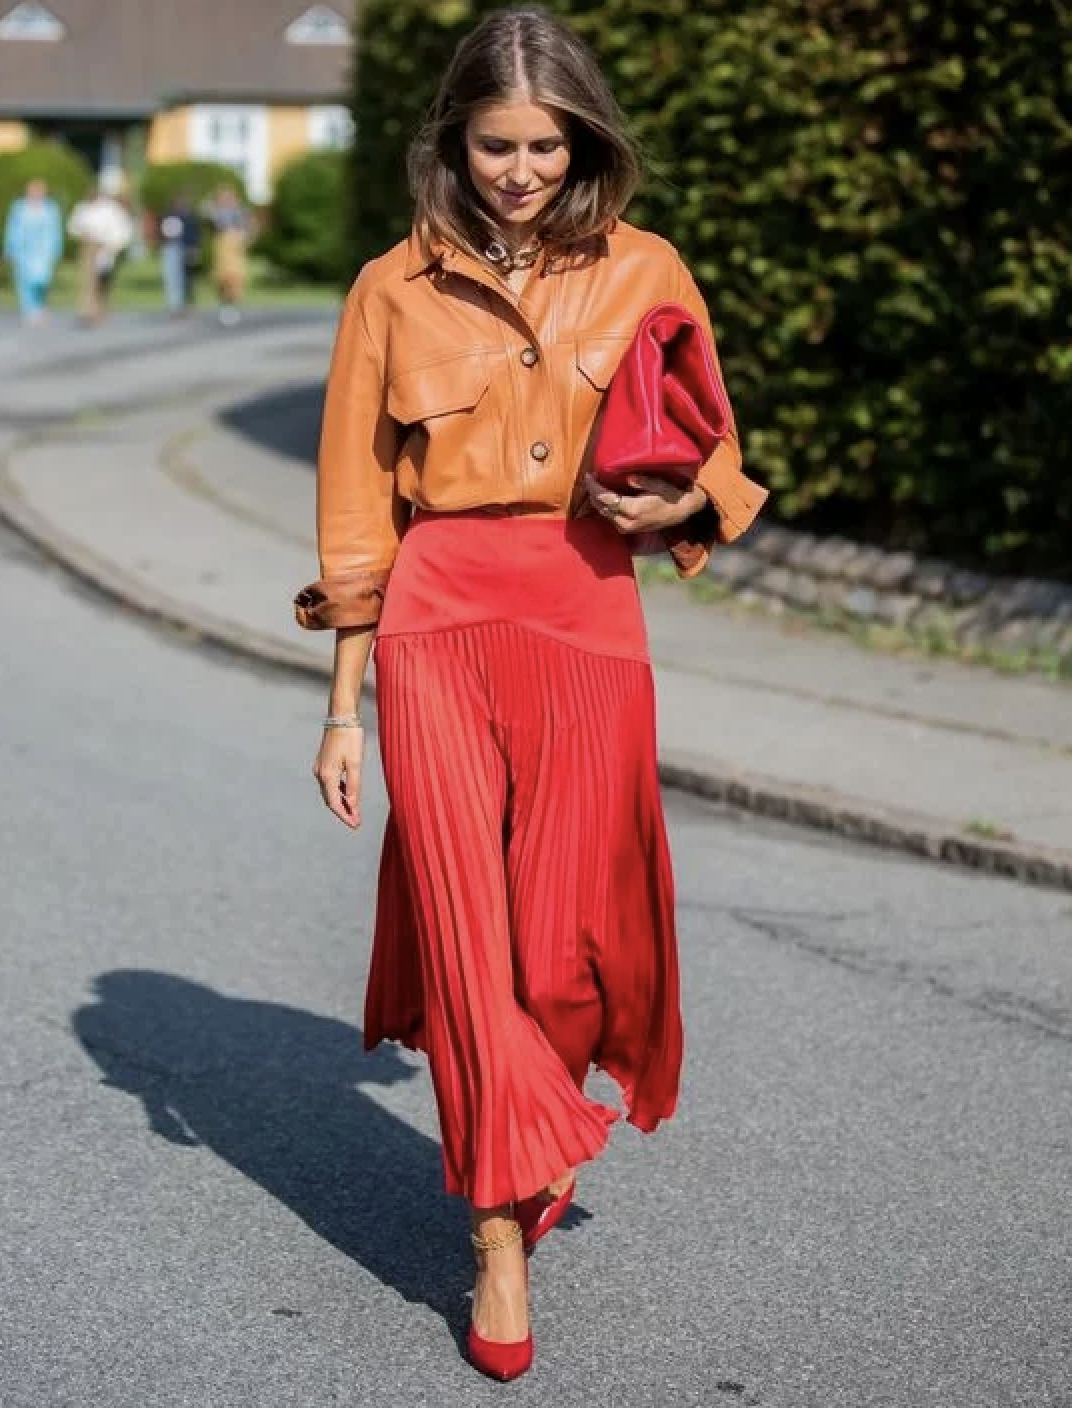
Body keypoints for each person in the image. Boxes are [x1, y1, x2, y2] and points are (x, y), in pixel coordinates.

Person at [293, 7, 767, 1382]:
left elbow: (719, 457)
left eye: (545, 145)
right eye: (493, 145)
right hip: (436, 625)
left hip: (584, 613)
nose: (518, 170)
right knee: (464, 930)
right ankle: (496, 1229)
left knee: (557, 947)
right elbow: (352, 512)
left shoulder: (645, 268)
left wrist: (684, 495)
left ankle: (532, 1115)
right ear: (451, 141)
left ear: (584, 140)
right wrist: (340, 705)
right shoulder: (390, 288)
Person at [67, 186, 134, 325]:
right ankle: (88, 310)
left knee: (103, 280)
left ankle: (102, 308)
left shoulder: (110, 209)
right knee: (87, 279)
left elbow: (123, 229)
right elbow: (73, 226)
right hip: (88, 246)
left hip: (106, 246)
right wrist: (81, 233)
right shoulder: (82, 208)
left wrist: (115, 245)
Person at [2, 178, 63, 326]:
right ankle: (29, 310)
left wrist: (56, 250)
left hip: (43, 251)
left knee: (41, 280)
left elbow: (55, 231)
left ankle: (39, 306)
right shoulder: (18, 207)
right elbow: (12, 229)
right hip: (22, 250)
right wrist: (8, 248)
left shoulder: (50, 209)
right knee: (24, 281)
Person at [204, 184, 252, 325]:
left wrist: (243, 238)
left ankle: (232, 308)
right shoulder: (216, 212)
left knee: (235, 280)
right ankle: (225, 307)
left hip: (235, 249)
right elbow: (207, 214)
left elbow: (247, 228)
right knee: (222, 280)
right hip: (222, 250)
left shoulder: (240, 211)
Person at [159, 193, 202, 315]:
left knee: (188, 278)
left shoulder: (189, 217)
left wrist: (194, 249)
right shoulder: (168, 216)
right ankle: (175, 304)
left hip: (186, 249)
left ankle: (188, 302)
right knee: (172, 277)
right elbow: (163, 231)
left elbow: (194, 235)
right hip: (171, 248)